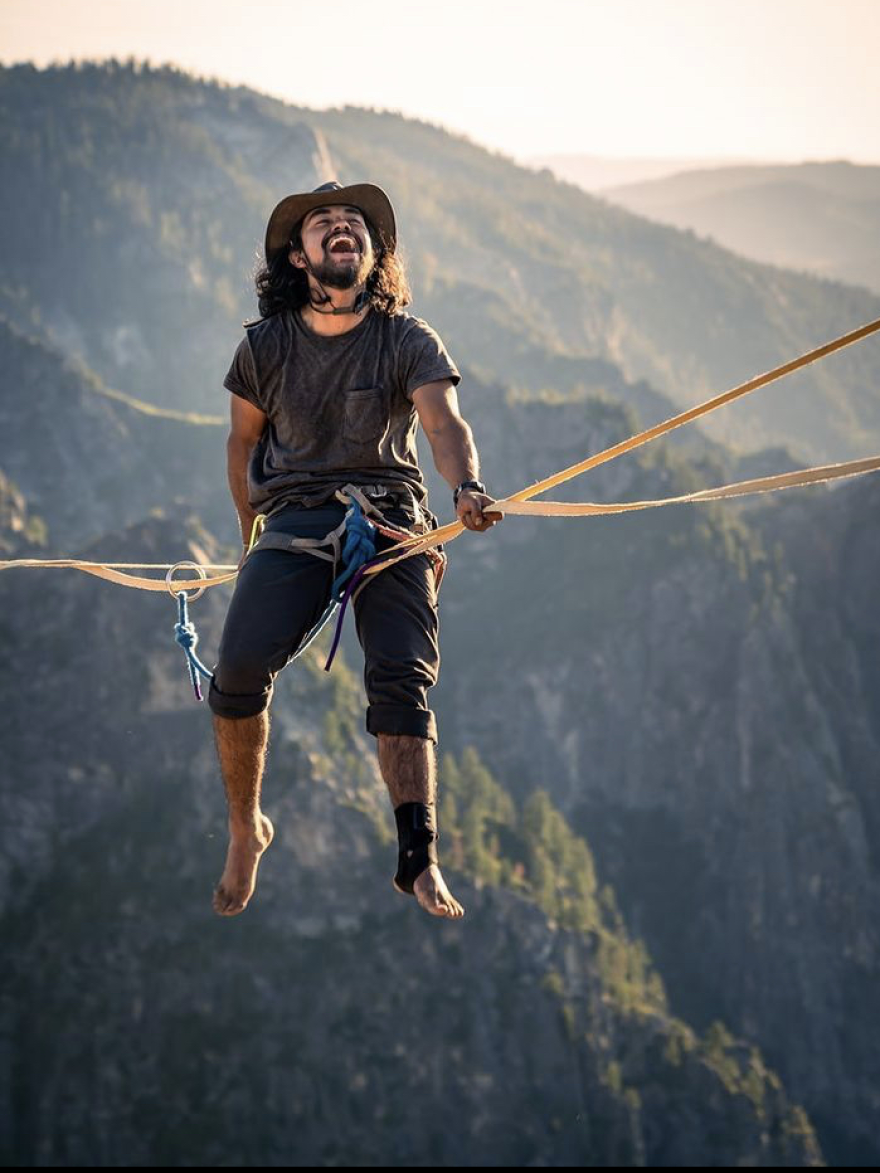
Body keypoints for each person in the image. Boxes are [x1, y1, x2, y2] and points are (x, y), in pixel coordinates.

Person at [208, 181, 500, 920]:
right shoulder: (265, 347)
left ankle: (418, 858)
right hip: (295, 518)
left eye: (355, 225)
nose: (343, 229)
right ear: (300, 258)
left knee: (401, 676)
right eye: (324, 225)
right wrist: (252, 543)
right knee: (238, 668)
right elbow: (243, 447)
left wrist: (466, 486)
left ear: (373, 255)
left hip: (392, 516)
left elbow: (443, 424)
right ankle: (247, 828)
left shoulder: (407, 337)